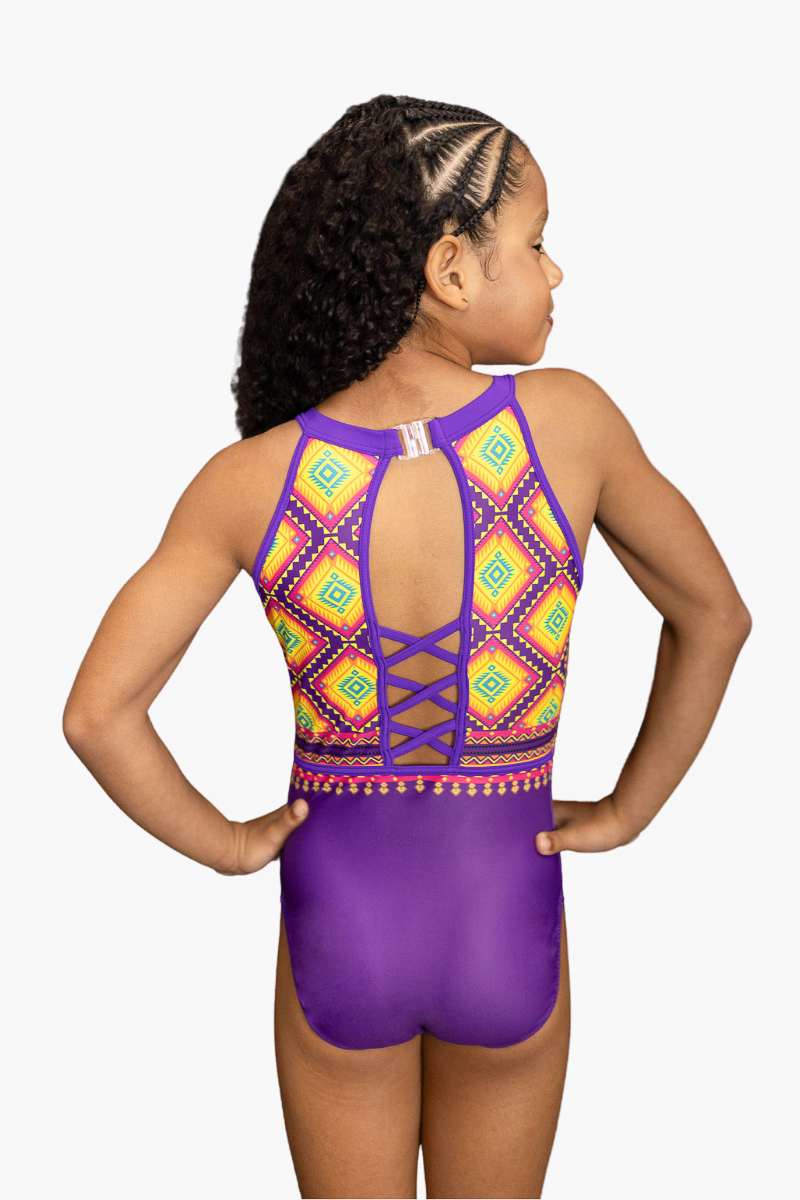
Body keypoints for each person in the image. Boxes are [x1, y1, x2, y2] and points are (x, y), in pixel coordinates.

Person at [63, 95, 751, 1200]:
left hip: (341, 913)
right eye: (535, 242)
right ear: (450, 268)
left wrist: (230, 845)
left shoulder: (251, 480)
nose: (556, 271)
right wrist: (628, 809)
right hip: (503, 902)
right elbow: (714, 614)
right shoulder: (569, 427)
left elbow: (98, 713)